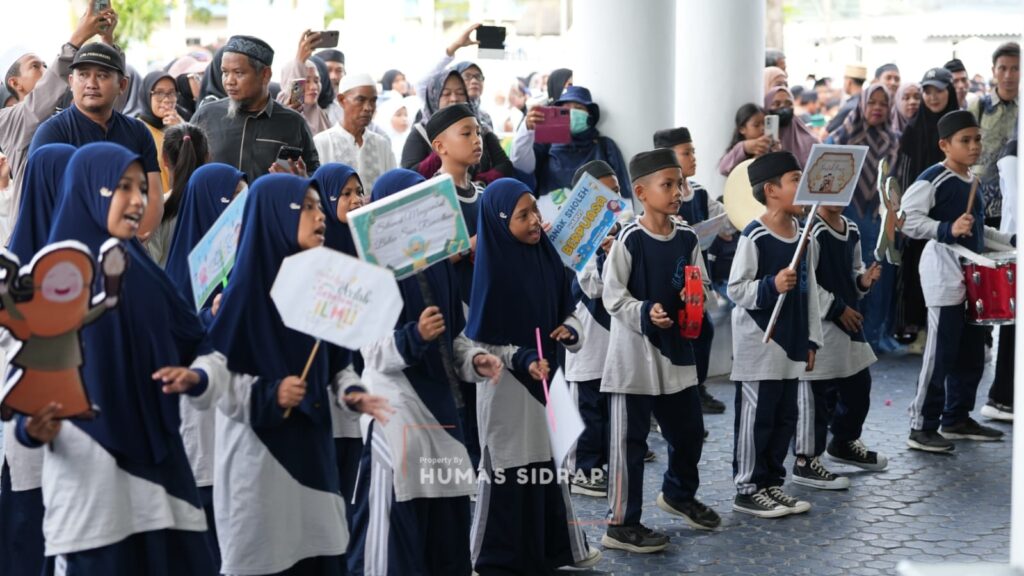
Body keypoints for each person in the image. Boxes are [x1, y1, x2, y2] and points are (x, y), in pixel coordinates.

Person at [17, 142, 216, 574]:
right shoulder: (53, 279)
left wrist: (196, 373)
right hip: (92, 481)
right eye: (122, 187)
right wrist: (30, 429)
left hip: (161, 475)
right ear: (89, 189)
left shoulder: (141, 272)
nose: (138, 200)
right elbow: (31, 382)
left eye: (142, 188)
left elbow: (195, 340)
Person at [198, 173, 389, 574]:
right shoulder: (242, 298)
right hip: (258, 465)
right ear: (274, 216)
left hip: (313, 457)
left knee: (320, 554)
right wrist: (269, 394)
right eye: (306, 207)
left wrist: (352, 392)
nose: (320, 216)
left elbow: (337, 366)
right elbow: (218, 384)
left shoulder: (319, 288)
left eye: (320, 206)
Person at [346, 168, 502, 576]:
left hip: (446, 418)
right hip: (398, 417)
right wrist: (414, 336)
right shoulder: (372, 273)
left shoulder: (439, 265)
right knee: (394, 535)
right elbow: (371, 352)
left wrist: (474, 360)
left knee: (447, 532)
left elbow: (454, 337)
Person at [465, 178, 601, 574]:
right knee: (508, 469)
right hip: (507, 388)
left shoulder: (547, 257)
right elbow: (482, 343)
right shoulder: (492, 271)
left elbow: (568, 310)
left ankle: (556, 549)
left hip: (548, 379)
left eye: (535, 211)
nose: (534, 221)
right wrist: (520, 358)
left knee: (548, 464)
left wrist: (570, 331)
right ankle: (492, 559)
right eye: (522, 216)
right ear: (499, 221)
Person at [600, 150, 719, 554]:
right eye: (667, 185)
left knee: (689, 433)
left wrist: (695, 297)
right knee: (630, 444)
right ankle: (621, 524)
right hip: (635, 358)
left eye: (679, 184)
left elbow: (704, 285)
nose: (677, 192)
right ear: (641, 192)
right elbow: (613, 296)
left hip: (677, 355)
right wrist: (644, 312)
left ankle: (679, 494)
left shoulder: (687, 238)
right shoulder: (629, 239)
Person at [901, 110, 1014, 452]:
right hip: (943, 273)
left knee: (971, 353)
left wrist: (1011, 241)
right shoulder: (933, 178)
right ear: (944, 145)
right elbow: (905, 219)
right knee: (941, 354)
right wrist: (946, 228)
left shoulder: (972, 180)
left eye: (977, 139)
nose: (974, 146)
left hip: (973, 278)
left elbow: (978, 231)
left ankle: (956, 418)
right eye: (965, 140)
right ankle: (921, 426)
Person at [162, 162, 247, 570]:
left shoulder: (248, 266)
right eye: (236, 203)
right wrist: (211, 316)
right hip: (202, 428)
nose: (242, 214)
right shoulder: (178, 279)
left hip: (241, 422)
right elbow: (177, 346)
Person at [728, 151, 822, 518]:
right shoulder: (754, 235)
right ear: (771, 190)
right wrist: (771, 285)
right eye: (796, 180)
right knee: (758, 418)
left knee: (784, 417)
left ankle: (771, 483)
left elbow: (810, 292)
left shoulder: (804, 236)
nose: (804, 186)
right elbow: (736, 289)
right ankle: (748, 488)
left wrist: (812, 339)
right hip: (759, 344)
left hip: (791, 343)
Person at [0, 143, 76, 576]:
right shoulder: (13, 270)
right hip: (30, 429)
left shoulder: (92, 259)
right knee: (30, 538)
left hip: (82, 437)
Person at [0, 4, 116, 241]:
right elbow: (40, 101)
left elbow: (109, 99)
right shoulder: (10, 120)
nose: (45, 69)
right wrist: (77, 39)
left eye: (45, 64)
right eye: (35, 66)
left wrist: (106, 40)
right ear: (15, 83)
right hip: (36, 239)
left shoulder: (68, 112)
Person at [793, 204, 888, 492]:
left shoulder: (852, 229)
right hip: (823, 324)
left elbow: (853, 270)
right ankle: (806, 459)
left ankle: (844, 441)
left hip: (848, 324)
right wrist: (836, 308)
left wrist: (862, 281)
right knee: (816, 394)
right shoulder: (812, 231)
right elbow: (805, 281)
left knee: (859, 386)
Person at [28, 42, 165, 241]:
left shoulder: (138, 131)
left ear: (122, 85)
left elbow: (153, 196)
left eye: (102, 75)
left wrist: (133, 239)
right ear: (71, 81)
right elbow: (41, 205)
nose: (91, 84)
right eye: (83, 75)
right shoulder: (52, 134)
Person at [653, 127, 728, 414]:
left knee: (702, 329)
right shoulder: (657, 196)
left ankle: (697, 389)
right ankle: (675, 397)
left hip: (695, 278)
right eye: (687, 152)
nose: (693, 157)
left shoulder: (699, 192)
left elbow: (724, 219)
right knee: (674, 335)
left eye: (693, 151)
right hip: (670, 278)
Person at [562, 161, 623, 498]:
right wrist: (607, 256)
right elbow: (592, 286)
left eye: (616, 191)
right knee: (587, 408)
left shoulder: (623, 231)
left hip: (616, 334)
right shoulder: (575, 237)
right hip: (587, 335)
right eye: (603, 192)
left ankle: (601, 465)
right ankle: (581, 470)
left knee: (609, 408)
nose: (613, 198)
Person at [309, 163, 367, 514]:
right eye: (345, 194)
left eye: (359, 191)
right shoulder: (314, 247)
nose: (355, 199)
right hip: (327, 371)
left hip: (362, 365)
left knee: (356, 473)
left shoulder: (367, 243)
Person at [827, 83, 901, 353]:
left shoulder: (895, 139)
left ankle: (871, 339)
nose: (877, 108)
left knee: (878, 277)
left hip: (879, 218)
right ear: (862, 104)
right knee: (849, 276)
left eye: (883, 103)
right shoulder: (841, 136)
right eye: (872, 102)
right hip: (846, 215)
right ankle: (849, 338)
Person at [191, 35, 320, 183]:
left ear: (265, 75)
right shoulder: (206, 116)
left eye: (238, 73)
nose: (229, 81)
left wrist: (300, 178)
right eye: (225, 72)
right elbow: (186, 168)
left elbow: (314, 172)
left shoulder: (293, 123)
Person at [893, 68, 960, 344]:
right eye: (928, 91)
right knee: (919, 272)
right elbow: (906, 175)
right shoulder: (913, 128)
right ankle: (920, 331)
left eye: (938, 91)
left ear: (949, 92)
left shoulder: (961, 126)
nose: (932, 97)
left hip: (954, 214)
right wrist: (905, 214)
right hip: (922, 218)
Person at [511, 85, 630, 197]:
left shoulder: (605, 146)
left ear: (590, 115)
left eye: (578, 108)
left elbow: (623, 191)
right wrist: (526, 129)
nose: (572, 113)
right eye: (565, 109)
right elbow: (522, 167)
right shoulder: (546, 143)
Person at [402, 69, 512, 184]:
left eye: (460, 93)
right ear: (434, 97)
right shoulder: (421, 132)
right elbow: (409, 177)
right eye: (446, 94)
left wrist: (479, 183)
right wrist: (446, 148)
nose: (454, 98)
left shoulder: (480, 127)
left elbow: (504, 164)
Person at [982, 138, 1017, 422]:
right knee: (1013, 327)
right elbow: (1017, 204)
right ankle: (1003, 397)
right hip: (1014, 247)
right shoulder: (1014, 152)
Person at [314, 73, 396, 189]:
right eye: (360, 100)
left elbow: (393, 188)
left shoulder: (382, 144)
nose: (368, 108)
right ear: (341, 100)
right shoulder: (322, 143)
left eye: (373, 101)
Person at [146, 123, 210, 266]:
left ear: (164, 159)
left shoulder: (156, 210)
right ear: (207, 157)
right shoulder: (220, 206)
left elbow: (149, 267)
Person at [969, 42, 1019, 226]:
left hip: (1016, 197)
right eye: (1003, 68)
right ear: (994, 70)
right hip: (980, 197)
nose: (1008, 75)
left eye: (1015, 68)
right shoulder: (979, 106)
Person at [136, 71, 184, 196]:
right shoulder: (137, 130)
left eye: (171, 93)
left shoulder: (180, 125)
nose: (167, 99)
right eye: (159, 93)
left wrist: (180, 130)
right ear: (147, 96)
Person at [276, 31, 332, 136]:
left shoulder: (321, 115)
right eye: (306, 81)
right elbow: (295, 99)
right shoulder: (283, 110)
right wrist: (299, 61)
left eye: (316, 81)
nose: (313, 87)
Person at [764, 86, 820, 167]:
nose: (783, 107)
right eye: (776, 104)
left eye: (788, 103)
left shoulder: (810, 140)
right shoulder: (760, 140)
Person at [718, 103, 776, 176]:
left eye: (765, 124)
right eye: (756, 125)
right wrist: (744, 148)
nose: (763, 128)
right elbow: (723, 169)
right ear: (742, 129)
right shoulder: (740, 148)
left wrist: (777, 152)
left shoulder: (771, 147)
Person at [826, 64, 868, 133]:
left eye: (844, 80)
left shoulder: (849, 106)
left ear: (849, 82)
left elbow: (827, 132)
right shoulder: (867, 101)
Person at [377, 93, 418, 162]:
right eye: (398, 115)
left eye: (406, 115)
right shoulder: (380, 142)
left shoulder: (413, 139)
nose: (404, 119)